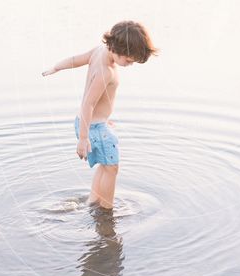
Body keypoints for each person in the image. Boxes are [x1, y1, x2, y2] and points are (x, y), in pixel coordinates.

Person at [42, 20, 158, 209]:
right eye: (129, 60)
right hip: (92, 127)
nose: (130, 64)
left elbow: (75, 60)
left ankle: (93, 201)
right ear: (116, 48)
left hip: (90, 123)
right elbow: (89, 103)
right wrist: (83, 137)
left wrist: (57, 66)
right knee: (112, 168)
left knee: (106, 165)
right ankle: (107, 209)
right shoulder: (107, 72)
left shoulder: (98, 52)